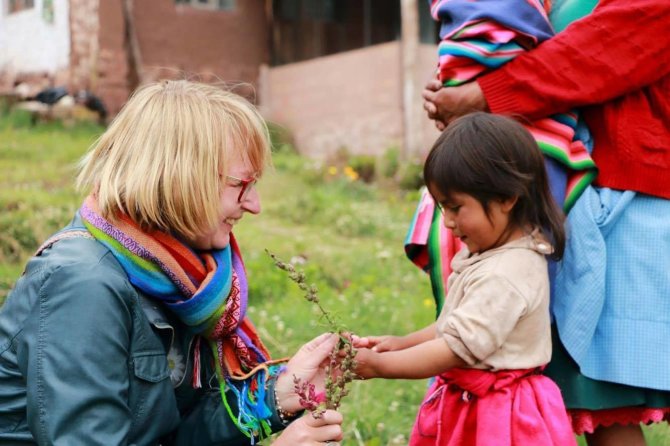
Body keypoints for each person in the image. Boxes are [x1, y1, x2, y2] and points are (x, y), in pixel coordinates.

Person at [0, 80, 344, 445]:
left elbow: (173, 436)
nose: (254, 204)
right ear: (182, 179)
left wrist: (276, 396)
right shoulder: (82, 285)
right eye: (241, 184)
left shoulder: (184, 280)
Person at [422, 1, 670, 445]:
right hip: (584, 197)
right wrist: (463, 71)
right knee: (601, 396)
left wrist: (485, 93)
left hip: (641, 198)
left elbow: (608, 48)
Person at [353, 112, 575, 446]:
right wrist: (404, 343)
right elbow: (455, 325)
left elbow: (457, 348)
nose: (449, 222)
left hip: (501, 417)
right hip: (475, 405)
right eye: (444, 209)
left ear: (506, 198)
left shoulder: (507, 273)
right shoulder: (491, 254)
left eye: (457, 207)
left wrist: (383, 365)